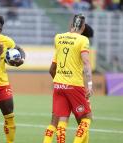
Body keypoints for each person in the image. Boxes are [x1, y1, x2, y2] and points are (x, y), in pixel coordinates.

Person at [43, 14, 93, 143]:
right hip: (74, 84)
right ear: (83, 27)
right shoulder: (83, 40)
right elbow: (86, 63)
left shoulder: (58, 38)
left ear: (71, 25)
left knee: (61, 119)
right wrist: (90, 84)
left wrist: (61, 80)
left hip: (59, 85)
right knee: (87, 117)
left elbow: (53, 67)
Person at [0, 14, 25, 143]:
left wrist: (21, 59)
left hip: (2, 84)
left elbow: (19, 49)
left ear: (1, 29)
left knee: (9, 116)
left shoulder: (6, 41)